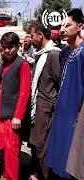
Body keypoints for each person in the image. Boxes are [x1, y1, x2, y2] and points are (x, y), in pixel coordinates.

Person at [45, 8, 84, 179]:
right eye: (61, 26)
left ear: (80, 26)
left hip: (76, 117)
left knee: (72, 162)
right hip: (61, 113)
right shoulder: (65, 53)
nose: (62, 29)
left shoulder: (82, 53)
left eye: (68, 25)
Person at [0, 32, 31, 180]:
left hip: (12, 116)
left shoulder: (23, 64)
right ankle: (3, 175)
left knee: (11, 150)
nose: (7, 51)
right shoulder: (4, 63)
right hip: (0, 113)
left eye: (10, 47)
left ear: (17, 47)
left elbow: (24, 93)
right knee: (0, 148)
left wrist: (18, 116)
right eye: (4, 47)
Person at [27, 23, 61, 179]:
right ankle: (36, 174)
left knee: (42, 145)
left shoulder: (54, 54)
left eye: (32, 35)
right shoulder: (41, 54)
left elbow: (59, 82)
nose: (30, 38)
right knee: (35, 143)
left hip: (46, 108)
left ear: (40, 35)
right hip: (37, 106)